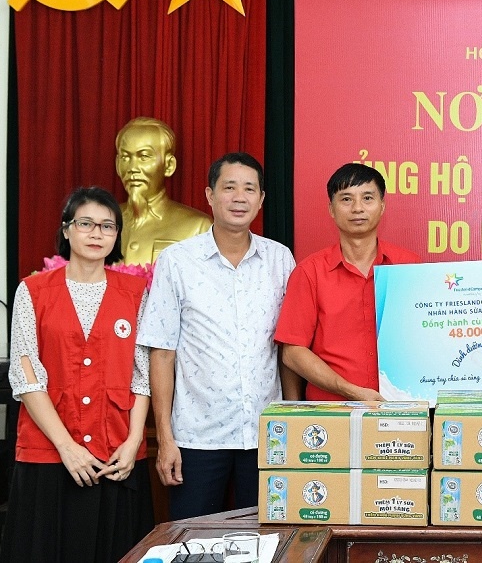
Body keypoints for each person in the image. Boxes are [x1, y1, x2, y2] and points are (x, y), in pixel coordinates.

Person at [137, 153, 297, 519]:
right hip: (197, 437)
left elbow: (288, 348)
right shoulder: (177, 261)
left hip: (266, 435)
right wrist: (165, 438)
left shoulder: (280, 259)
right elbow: (162, 352)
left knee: (266, 539)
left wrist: (291, 419)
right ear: (210, 195)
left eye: (249, 189)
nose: (239, 197)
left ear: (261, 199)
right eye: (229, 187)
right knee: (192, 537)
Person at [1, 187, 152, 562]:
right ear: (66, 229)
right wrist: (67, 447)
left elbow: (143, 376)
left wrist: (134, 441)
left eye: (107, 226)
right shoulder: (33, 291)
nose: (97, 233)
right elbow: (27, 377)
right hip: (48, 453)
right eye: (86, 223)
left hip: (115, 453)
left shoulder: (137, 293)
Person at [276, 163, 419, 401]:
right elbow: (292, 353)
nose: (357, 208)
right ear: (331, 209)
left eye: (367, 198)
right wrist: (350, 391)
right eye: (346, 199)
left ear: (382, 206)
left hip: (400, 406)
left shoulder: (410, 267)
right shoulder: (310, 272)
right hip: (331, 411)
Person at [115, 117, 212, 265]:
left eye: (144, 157)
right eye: (125, 157)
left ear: (169, 165)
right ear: (117, 164)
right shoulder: (101, 223)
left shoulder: (198, 228)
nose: (132, 168)